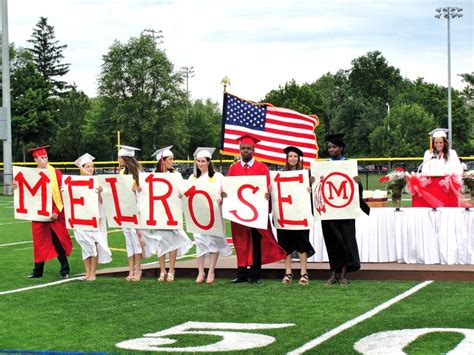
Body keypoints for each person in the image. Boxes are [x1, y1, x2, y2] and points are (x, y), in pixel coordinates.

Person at [224, 134, 287, 284]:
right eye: (243, 148)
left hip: (256, 213)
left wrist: (267, 195)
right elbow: (228, 189)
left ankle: (255, 274)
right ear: (239, 150)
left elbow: (267, 189)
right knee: (240, 243)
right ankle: (241, 274)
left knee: (255, 243)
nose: (246, 151)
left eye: (248, 148)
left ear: (253, 150)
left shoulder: (261, 167)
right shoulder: (234, 169)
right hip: (239, 213)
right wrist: (225, 193)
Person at [12, 146, 72, 279]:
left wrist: (57, 211)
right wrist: (15, 186)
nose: (45, 160)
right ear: (35, 159)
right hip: (38, 214)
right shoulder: (31, 174)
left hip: (54, 213)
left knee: (57, 241)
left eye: (46, 157)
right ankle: (37, 271)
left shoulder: (55, 172)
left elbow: (61, 194)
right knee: (39, 242)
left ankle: (65, 269)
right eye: (42, 157)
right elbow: (26, 191)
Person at [321, 134, 370, 285]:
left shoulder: (348, 164)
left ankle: (343, 275)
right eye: (329, 147)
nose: (331, 150)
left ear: (341, 148)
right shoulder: (324, 165)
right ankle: (333, 274)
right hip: (329, 211)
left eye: (334, 147)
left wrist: (358, 183)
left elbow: (355, 190)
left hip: (346, 210)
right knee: (332, 242)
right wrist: (314, 181)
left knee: (346, 241)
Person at [139, 146, 192, 282]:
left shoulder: (175, 176)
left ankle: (172, 270)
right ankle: (162, 270)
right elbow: (143, 192)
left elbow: (183, 189)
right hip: (157, 214)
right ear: (162, 160)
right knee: (160, 242)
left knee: (173, 241)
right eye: (170, 159)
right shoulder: (151, 177)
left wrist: (181, 193)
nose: (172, 161)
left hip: (171, 214)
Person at [273, 146, 315, 285]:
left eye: (295, 156)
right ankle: (288, 272)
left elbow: (313, 193)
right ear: (286, 158)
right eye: (290, 156)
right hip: (284, 214)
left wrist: (310, 189)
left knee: (302, 243)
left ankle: (304, 272)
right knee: (285, 244)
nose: (292, 159)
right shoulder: (280, 174)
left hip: (300, 214)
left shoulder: (305, 174)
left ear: (299, 159)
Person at [189, 147, 231, 284]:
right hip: (197, 215)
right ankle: (201, 271)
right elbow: (188, 193)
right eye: (198, 161)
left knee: (213, 241)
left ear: (208, 162)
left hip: (213, 214)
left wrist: (221, 196)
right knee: (199, 241)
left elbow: (224, 192)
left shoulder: (218, 177)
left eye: (203, 161)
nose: (200, 164)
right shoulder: (193, 177)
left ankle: (211, 270)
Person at [73, 153, 112, 281]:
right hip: (81, 217)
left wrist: (101, 193)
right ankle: (87, 272)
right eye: (88, 166)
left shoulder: (98, 182)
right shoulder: (75, 183)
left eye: (92, 166)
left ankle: (93, 273)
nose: (91, 168)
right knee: (85, 244)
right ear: (82, 168)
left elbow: (104, 202)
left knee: (95, 243)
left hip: (96, 216)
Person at [117, 144, 145, 281]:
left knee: (136, 240)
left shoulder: (139, 173)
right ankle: (131, 269)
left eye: (121, 158)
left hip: (136, 210)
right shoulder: (122, 173)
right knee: (128, 240)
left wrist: (138, 188)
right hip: (125, 210)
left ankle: (138, 269)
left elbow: (144, 191)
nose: (119, 160)